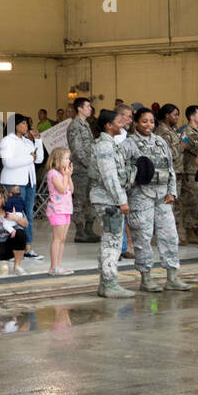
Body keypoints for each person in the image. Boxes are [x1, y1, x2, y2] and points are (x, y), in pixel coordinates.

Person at [122, 108, 192, 292]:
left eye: (151, 121)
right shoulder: (128, 144)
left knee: (170, 236)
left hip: (162, 197)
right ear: (136, 122)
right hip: (140, 197)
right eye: (144, 121)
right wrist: (130, 184)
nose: (148, 125)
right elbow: (120, 171)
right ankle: (146, 278)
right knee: (142, 238)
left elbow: (170, 169)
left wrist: (172, 192)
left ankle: (172, 277)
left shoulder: (160, 142)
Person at [90, 109, 134, 297]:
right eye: (119, 121)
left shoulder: (110, 144)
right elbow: (110, 177)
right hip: (108, 201)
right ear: (108, 125)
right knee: (112, 242)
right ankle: (110, 284)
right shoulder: (105, 147)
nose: (123, 123)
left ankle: (105, 284)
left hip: (109, 199)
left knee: (111, 240)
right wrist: (121, 200)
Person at [0, 114, 45, 258]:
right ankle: (12, 248)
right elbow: (8, 163)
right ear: (15, 125)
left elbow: (39, 159)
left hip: (29, 181)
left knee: (28, 215)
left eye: (26, 124)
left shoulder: (27, 142)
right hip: (14, 182)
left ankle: (27, 247)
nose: (26, 126)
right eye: (23, 123)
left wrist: (38, 141)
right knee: (13, 215)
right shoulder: (7, 141)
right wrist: (30, 158)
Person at [176, 105, 198, 245]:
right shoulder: (186, 132)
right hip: (190, 170)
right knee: (191, 202)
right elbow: (192, 148)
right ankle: (189, 231)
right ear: (192, 117)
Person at [67, 97, 98, 242]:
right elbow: (77, 150)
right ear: (79, 108)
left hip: (90, 169)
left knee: (91, 200)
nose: (90, 109)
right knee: (79, 201)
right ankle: (79, 231)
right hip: (81, 170)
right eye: (88, 106)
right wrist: (89, 164)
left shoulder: (85, 124)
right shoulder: (75, 126)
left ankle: (89, 229)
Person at [44, 146, 74, 276]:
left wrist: (68, 175)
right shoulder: (53, 173)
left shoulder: (64, 174)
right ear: (58, 159)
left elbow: (71, 190)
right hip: (57, 209)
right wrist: (65, 176)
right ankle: (53, 266)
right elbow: (61, 189)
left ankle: (58, 265)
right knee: (57, 238)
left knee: (63, 238)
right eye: (66, 158)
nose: (68, 161)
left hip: (66, 208)